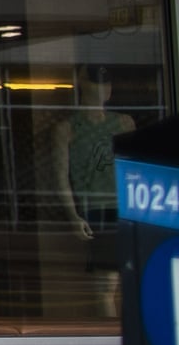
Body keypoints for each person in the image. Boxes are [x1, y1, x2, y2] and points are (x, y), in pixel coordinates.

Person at [50, 64, 135, 280]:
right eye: (97, 82)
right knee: (107, 281)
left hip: (125, 206)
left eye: (107, 83)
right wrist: (74, 216)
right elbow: (60, 176)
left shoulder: (124, 123)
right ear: (82, 84)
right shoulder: (68, 128)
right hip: (96, 208)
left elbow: (135, 169)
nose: (104, 88)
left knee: (134, 275)